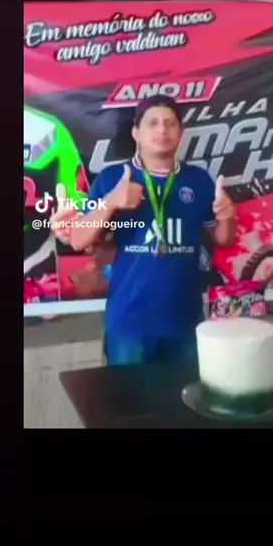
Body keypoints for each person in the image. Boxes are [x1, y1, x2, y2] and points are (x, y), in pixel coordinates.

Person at [51, 95, 237, 366]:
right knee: (127, 394)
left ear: (181, 134)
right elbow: (79, 239)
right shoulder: (112, 178)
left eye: (170, 123)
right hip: (129, 324)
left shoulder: (199, 180)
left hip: (185, 320)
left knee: (183, 393)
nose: (162, 130)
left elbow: (224, 239)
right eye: (153, 123)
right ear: (136, 133)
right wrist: (112, 201)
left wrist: (228, 216)